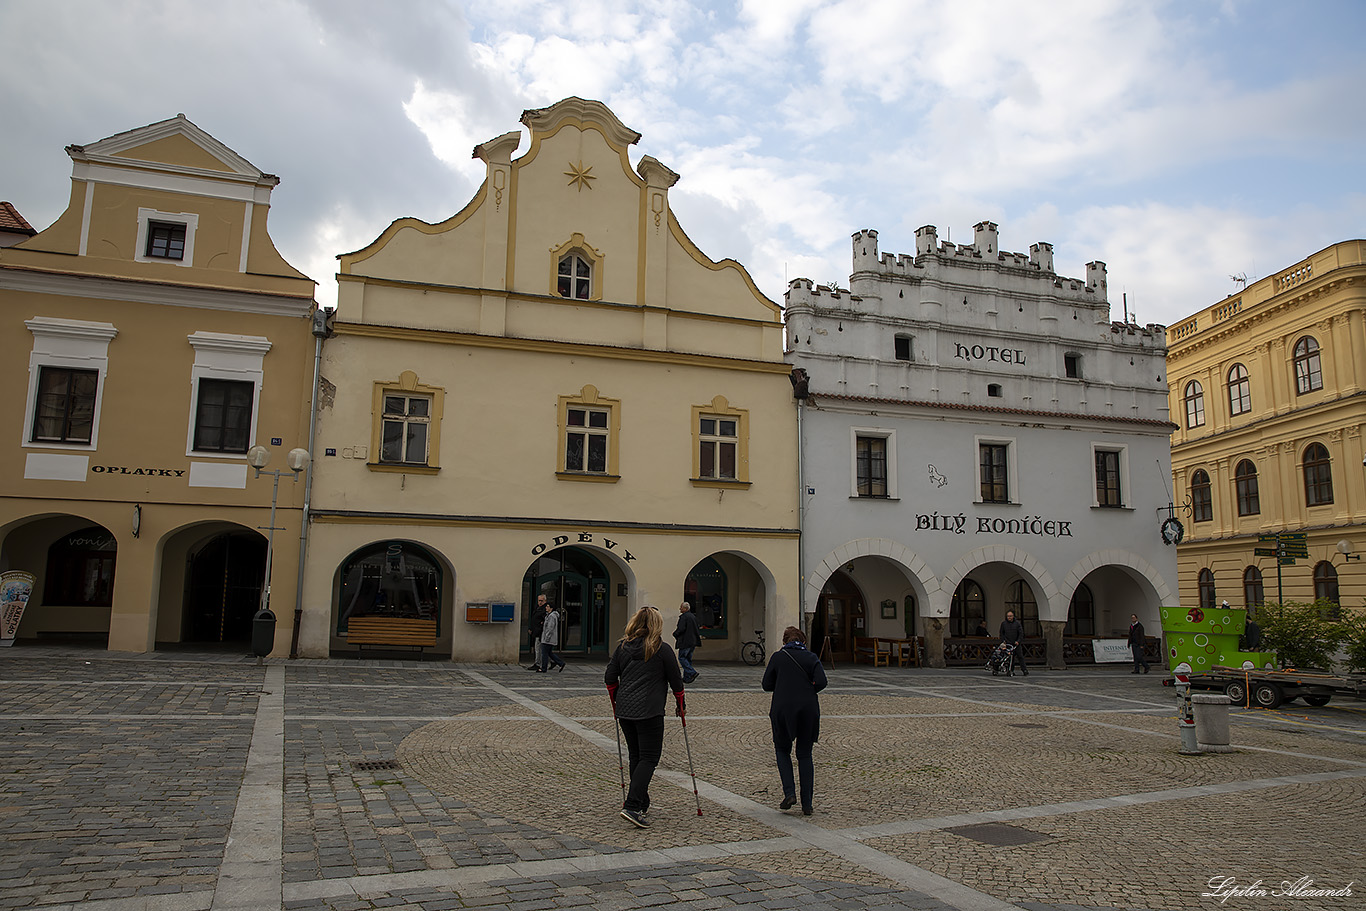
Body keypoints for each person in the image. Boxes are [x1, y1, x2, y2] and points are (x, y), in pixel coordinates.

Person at [604, 606, 685, 828]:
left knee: (636, 756)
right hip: (650, 710)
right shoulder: (661, 648)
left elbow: (610, 678)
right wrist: (681, 704)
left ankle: (641, 801)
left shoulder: (623, 648)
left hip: (626, 710)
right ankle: (631, 805)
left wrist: (616, 700)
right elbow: (677, 681)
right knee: (649, 758)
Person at [762, 626, 827, 816]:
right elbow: (822, 682)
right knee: (805, 755)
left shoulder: (778, 657)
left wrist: (782, 685)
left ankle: (789, 793)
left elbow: (766, 684)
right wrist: (807, 688)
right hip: (808, 709)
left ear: (785, 641)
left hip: (783, 709)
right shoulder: (811, 657)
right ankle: (807, 804)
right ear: (803, 641)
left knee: (782, 750)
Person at [674, 601, 702, 683]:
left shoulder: (684, 617)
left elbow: (681, 629)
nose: (680, 609)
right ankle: (687, 677)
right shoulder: (693, 616)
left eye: (681, 607)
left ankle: (692, 672)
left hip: (685, 641)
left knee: (682, 658)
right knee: (688, 659)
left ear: (685, 609)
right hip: (692, 641)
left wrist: (675, 634)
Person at [999, 609, 1028, 676]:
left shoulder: (1017, 623)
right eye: (1008, 616)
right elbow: (1001, 633)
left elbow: (1021, 633)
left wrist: (1018, 641)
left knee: (1020, 657)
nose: (1009, 617)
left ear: (1013, 616)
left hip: (1016, 643)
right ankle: (1011, 670)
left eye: (1010, 616)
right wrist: (1003, 641)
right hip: (1008, 643)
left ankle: (1024, 670)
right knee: (1010, 658)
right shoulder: (1004, 624)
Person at [539, 600, 566, 672]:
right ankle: (560, 663)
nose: (546, 608)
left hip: (548, 639)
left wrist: (546, 638)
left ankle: (543, 668)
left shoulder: (552, 616)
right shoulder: (548, 616)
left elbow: (550, 628)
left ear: (551, 608)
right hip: (549, 638)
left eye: (548, 606)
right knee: (549, 653)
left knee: (544, 653)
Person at [526, 594, 547, 670]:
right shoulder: (537, 608)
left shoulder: (544, 609)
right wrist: (531, 628)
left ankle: (538, 663)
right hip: (536, 631)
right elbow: (534, 619)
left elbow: (544, 621)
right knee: (539, 648)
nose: (540, 602)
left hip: (540, 632)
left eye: (542, 601)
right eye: (539, 600)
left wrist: (539, 628)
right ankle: (554, 661)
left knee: (538, 648)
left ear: (545, 601)